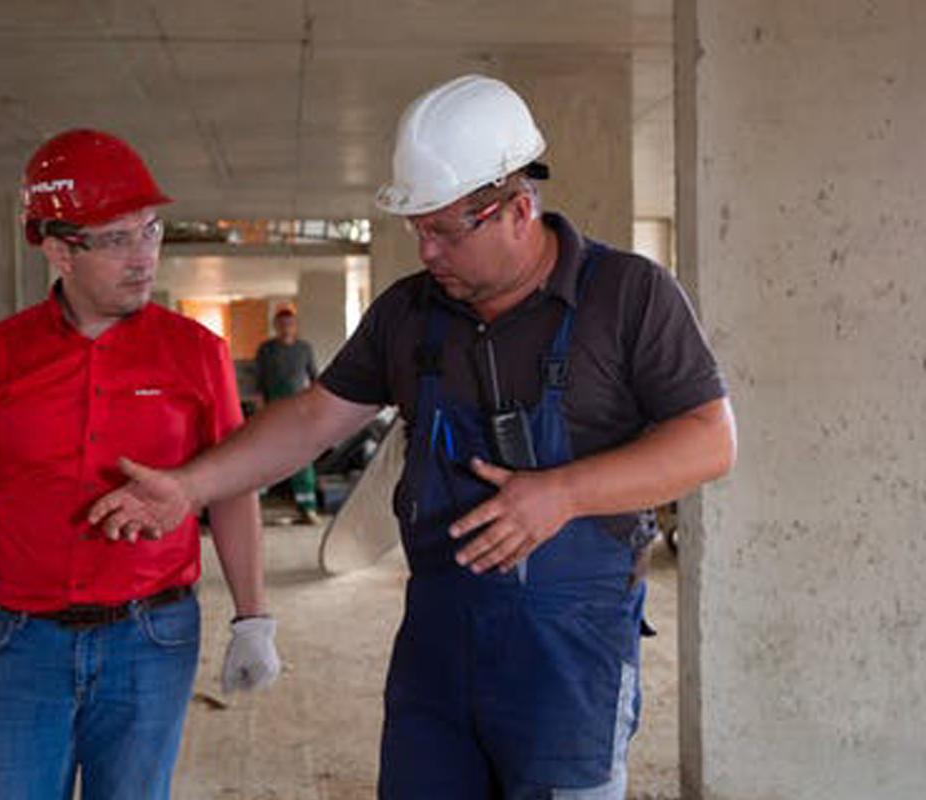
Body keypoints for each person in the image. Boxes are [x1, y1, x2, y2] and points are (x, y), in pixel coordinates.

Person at [89, 74, 737, 799]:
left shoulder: (628, 296)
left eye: (443, 230)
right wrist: (189, 486)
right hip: (438, 639)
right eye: (417, 229)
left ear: (517, 209)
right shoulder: (410, 315)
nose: (425, 251)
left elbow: (711, 440)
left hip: (570, 651)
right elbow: (312, 418)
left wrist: (562, 494)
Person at [0, 129, 280, 800]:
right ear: (59, 247)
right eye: (117, 239)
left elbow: (232, 491)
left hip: (152, 640)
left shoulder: (196, 354)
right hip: (23, 646)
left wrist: (253, 618)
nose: (144, 258)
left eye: (151, 231)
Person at [254, 308, 320, 523]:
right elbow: (259, 381)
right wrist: (260, 406)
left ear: (295, 325)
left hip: (299, 409)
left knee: (302, 456)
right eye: (281, 324)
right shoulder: (266, 350)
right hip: (273, 408)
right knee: (266, 455)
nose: (285, 328)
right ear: (275, 325)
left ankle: (307, 506)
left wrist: (315, 406)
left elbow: (314, 378)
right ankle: (256, 506)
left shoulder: (304, 348)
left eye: (289, 323)